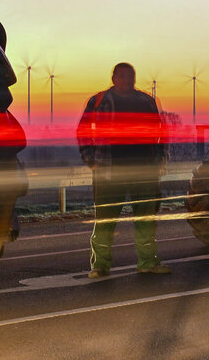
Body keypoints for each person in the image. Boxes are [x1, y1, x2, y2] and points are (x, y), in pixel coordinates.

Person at [76, 63, 170, 278]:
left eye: (130, 76)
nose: (127, 80)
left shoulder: (147, 101)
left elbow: (162, 131)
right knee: (105, 221)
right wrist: (91, 160)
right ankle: (99, 266)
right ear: (114, 78)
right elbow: (82, 130)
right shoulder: (99, 101)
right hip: (109, 172)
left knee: (146, 220)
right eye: (122, 76)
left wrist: (160, 159)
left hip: (143, 171)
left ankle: (147, 262)